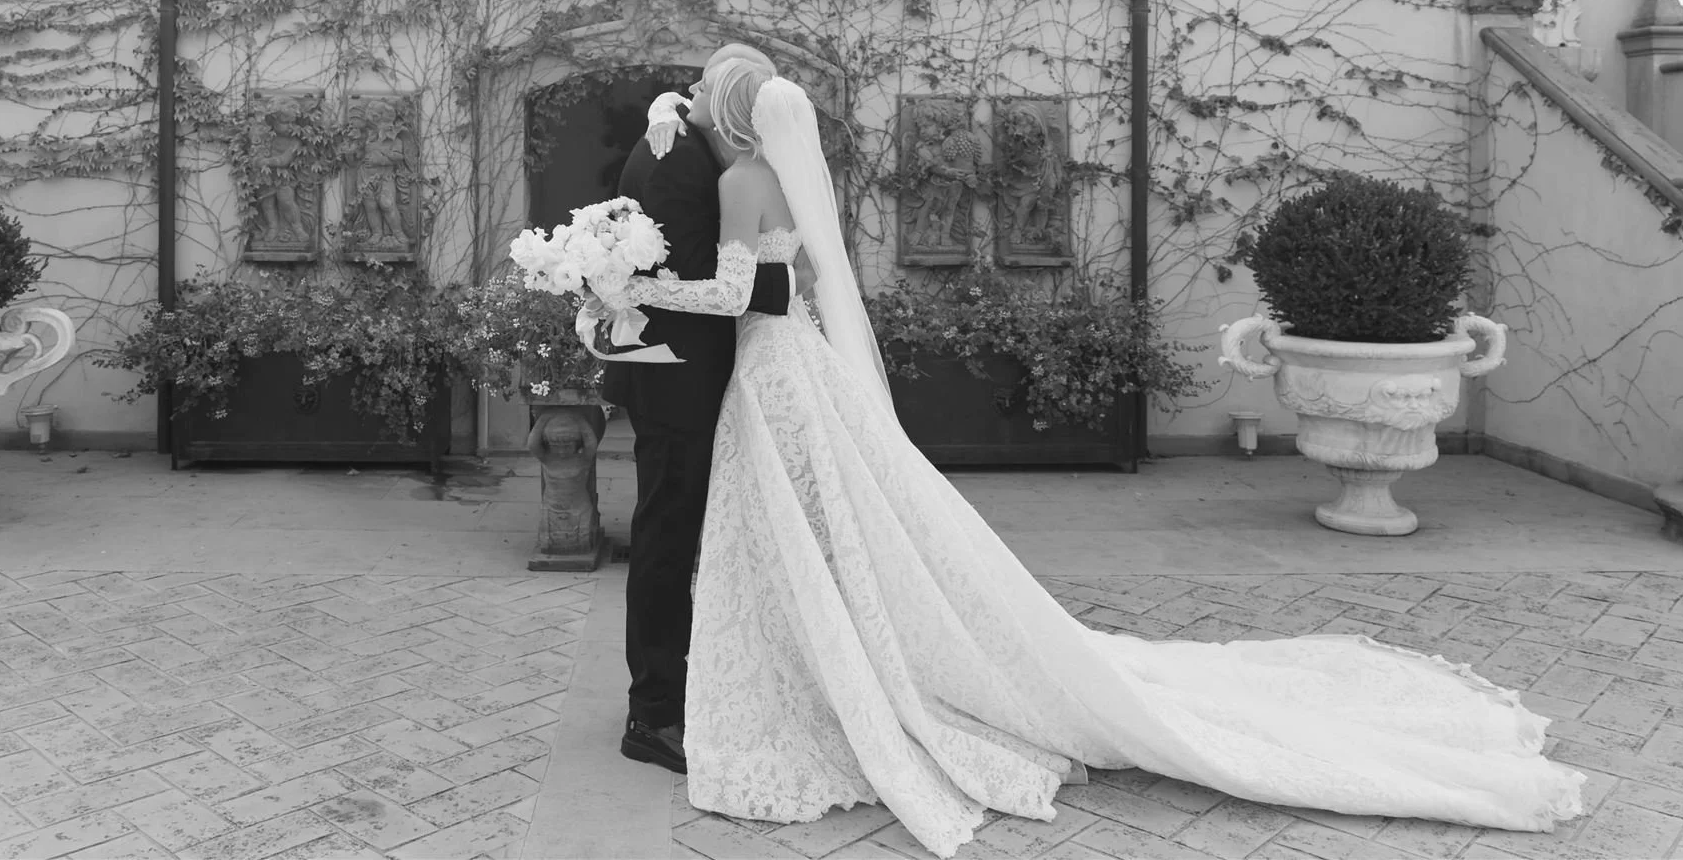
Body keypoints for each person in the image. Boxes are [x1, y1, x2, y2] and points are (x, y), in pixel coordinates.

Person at [614, 57, 1586, 860]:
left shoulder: (740, 181)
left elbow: (739, 294)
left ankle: (815, 669)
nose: (692, 105)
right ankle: (823, 659)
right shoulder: (779, 178)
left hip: (769, 371)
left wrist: (635, 286)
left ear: (727, 115)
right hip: (798, 364)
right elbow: (792, 280)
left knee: (788, 527)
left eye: (703, 97)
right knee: (820, 526)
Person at [589, 43, 796, 776]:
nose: (688, 87)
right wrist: (786, 293)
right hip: (676, 381)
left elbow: (710, 273)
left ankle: (684, 687)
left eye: (706, 83)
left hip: (681, 376)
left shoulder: (678, 139)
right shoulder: (685, 161)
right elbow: (721, 284)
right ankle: (652, 714)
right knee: (667, 537)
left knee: (679, 533)